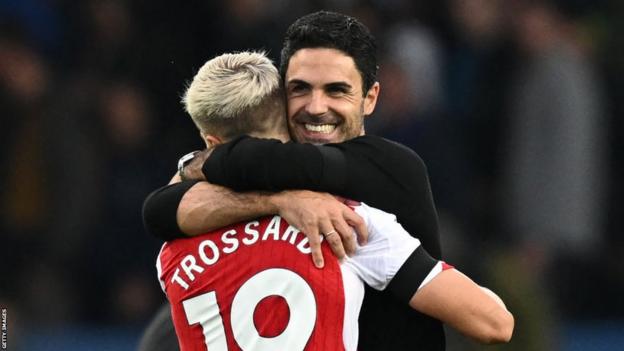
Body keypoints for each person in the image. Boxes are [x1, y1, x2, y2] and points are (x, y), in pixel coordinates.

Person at [154, 50, 512, 350]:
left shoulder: (171, 255)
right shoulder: (344, 223)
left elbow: (169, 201)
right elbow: (493, 324)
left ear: (210, 142)